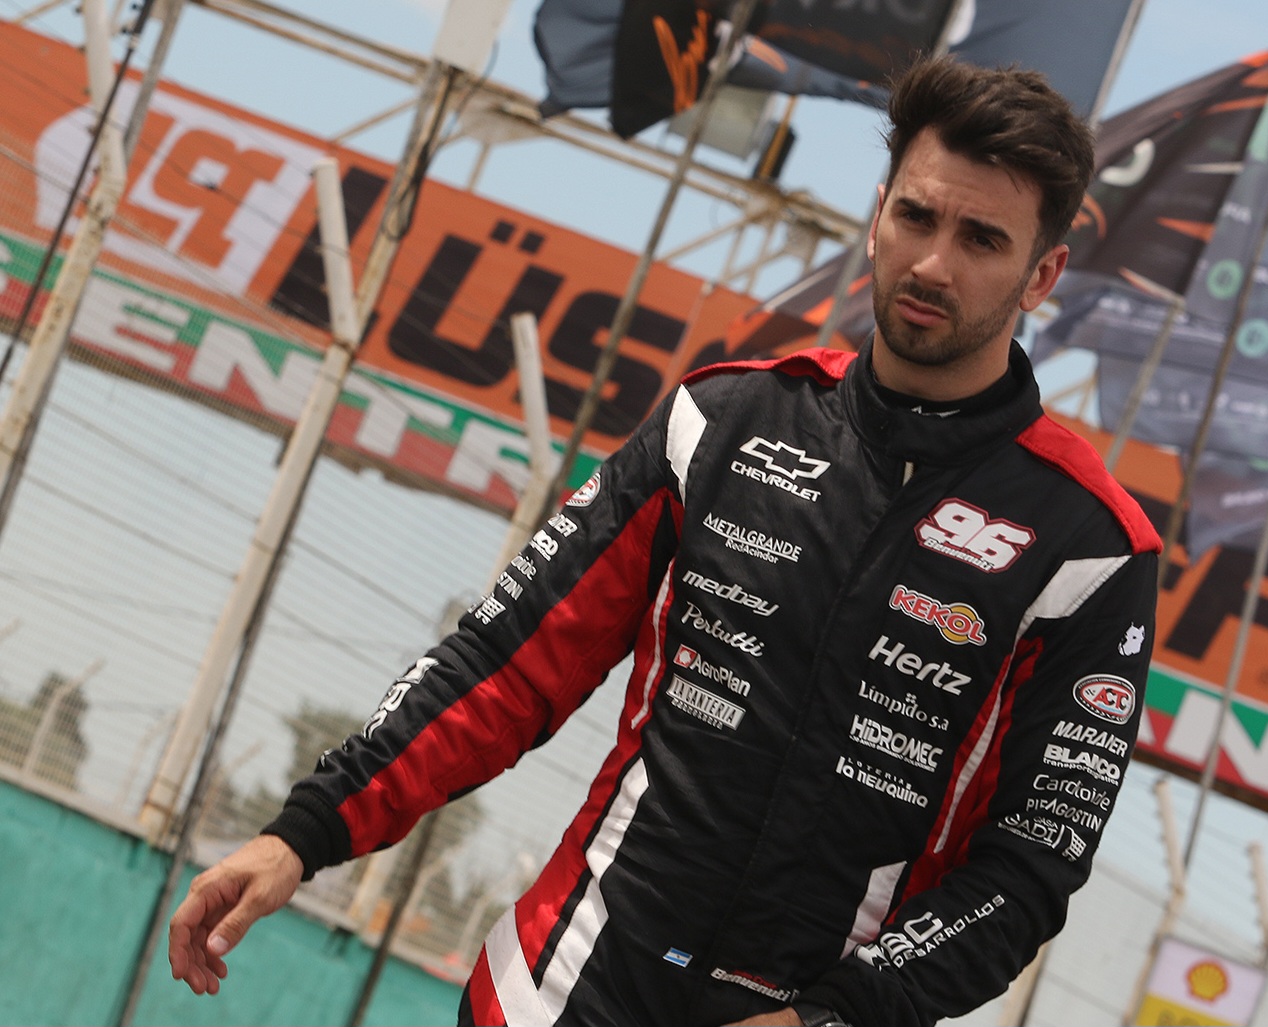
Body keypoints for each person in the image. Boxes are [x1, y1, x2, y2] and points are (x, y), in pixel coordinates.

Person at [169, 55, 1160, 1027]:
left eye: (981, 239)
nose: (933, 263)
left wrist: (836, 1017)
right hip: (559, 991)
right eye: (916, 217)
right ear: (876, 216)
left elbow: (1028, 870)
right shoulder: (722, 419)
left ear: (1041, 275)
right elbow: (509, 658)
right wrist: (307, 830)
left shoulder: (1091, 550)